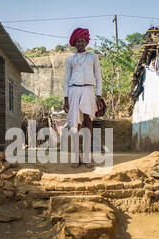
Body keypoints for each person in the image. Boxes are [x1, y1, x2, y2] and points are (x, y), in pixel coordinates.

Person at [63, 28, 103, 169]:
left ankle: (87, 158)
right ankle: (76, 157)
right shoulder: (70, 59)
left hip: (88, 90)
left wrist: (98, 95)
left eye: (82, 41)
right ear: (74, 43)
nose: (80, 43)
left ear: (86, 42)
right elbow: (66, 79)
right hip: (73, 90)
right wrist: (65, 98)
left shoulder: (93, 57)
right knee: (75, 124)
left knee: (88, 121)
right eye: (77, 41)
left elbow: (98, 77)